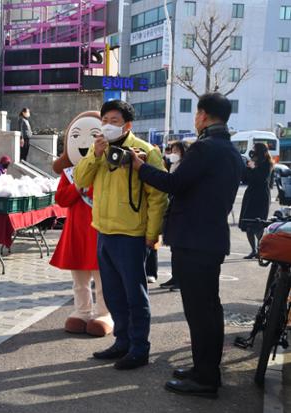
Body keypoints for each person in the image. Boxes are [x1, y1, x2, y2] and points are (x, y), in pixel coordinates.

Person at [130, 92, 244, 398]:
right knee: (207, 309)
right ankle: (203, 369)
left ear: (203, 115)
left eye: (196, 114)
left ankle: (205, 379)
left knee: (201, 312)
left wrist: (141, 168)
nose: (195, 119)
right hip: (209, 239)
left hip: (194, 241)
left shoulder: (205, 148)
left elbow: (174, 184)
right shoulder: (229, 150)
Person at [73, 100, 167, 370]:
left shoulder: (146, 152)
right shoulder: (99, 148)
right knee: (113, 294)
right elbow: (80, 180)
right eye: (104, 120)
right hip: (104, 232)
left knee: (134, 296)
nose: (107, 125)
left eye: (114, 120)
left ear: (127, 125)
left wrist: (152, 234)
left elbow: (158, 197)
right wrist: (95, 155)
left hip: (132, 235)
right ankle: (122, 341)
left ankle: (140, 348)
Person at [50, 111, 113, 337]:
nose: (84, 143)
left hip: (100, 229)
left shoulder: (108, 169)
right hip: (76, 231)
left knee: (103, 278)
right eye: (75, 137)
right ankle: (82, 311)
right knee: (79, 279)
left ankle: (104, 313)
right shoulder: (69, 173)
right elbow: (61, 199)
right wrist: (77, 186)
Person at [160, 140, 189, 291]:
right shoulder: (172, 165)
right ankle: (174, 277)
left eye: (176, 151)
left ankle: (181, 280)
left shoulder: (186, 166)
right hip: (172, 208)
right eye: (172, 150)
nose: (173, 154)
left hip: (181, 212)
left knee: (180, 250)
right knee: (174, 249)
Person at [239, 142, 273, 259]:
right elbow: (245, 179)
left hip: (261, 196)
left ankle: (260, 250)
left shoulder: (267, 164)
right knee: (248, 224)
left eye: (254, 149)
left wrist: (253, 168)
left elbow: (261, 179)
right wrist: (247, 168)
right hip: (251, 195)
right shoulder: (254, 162)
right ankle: (253, 250)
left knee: (258, 225)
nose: (252, 152)